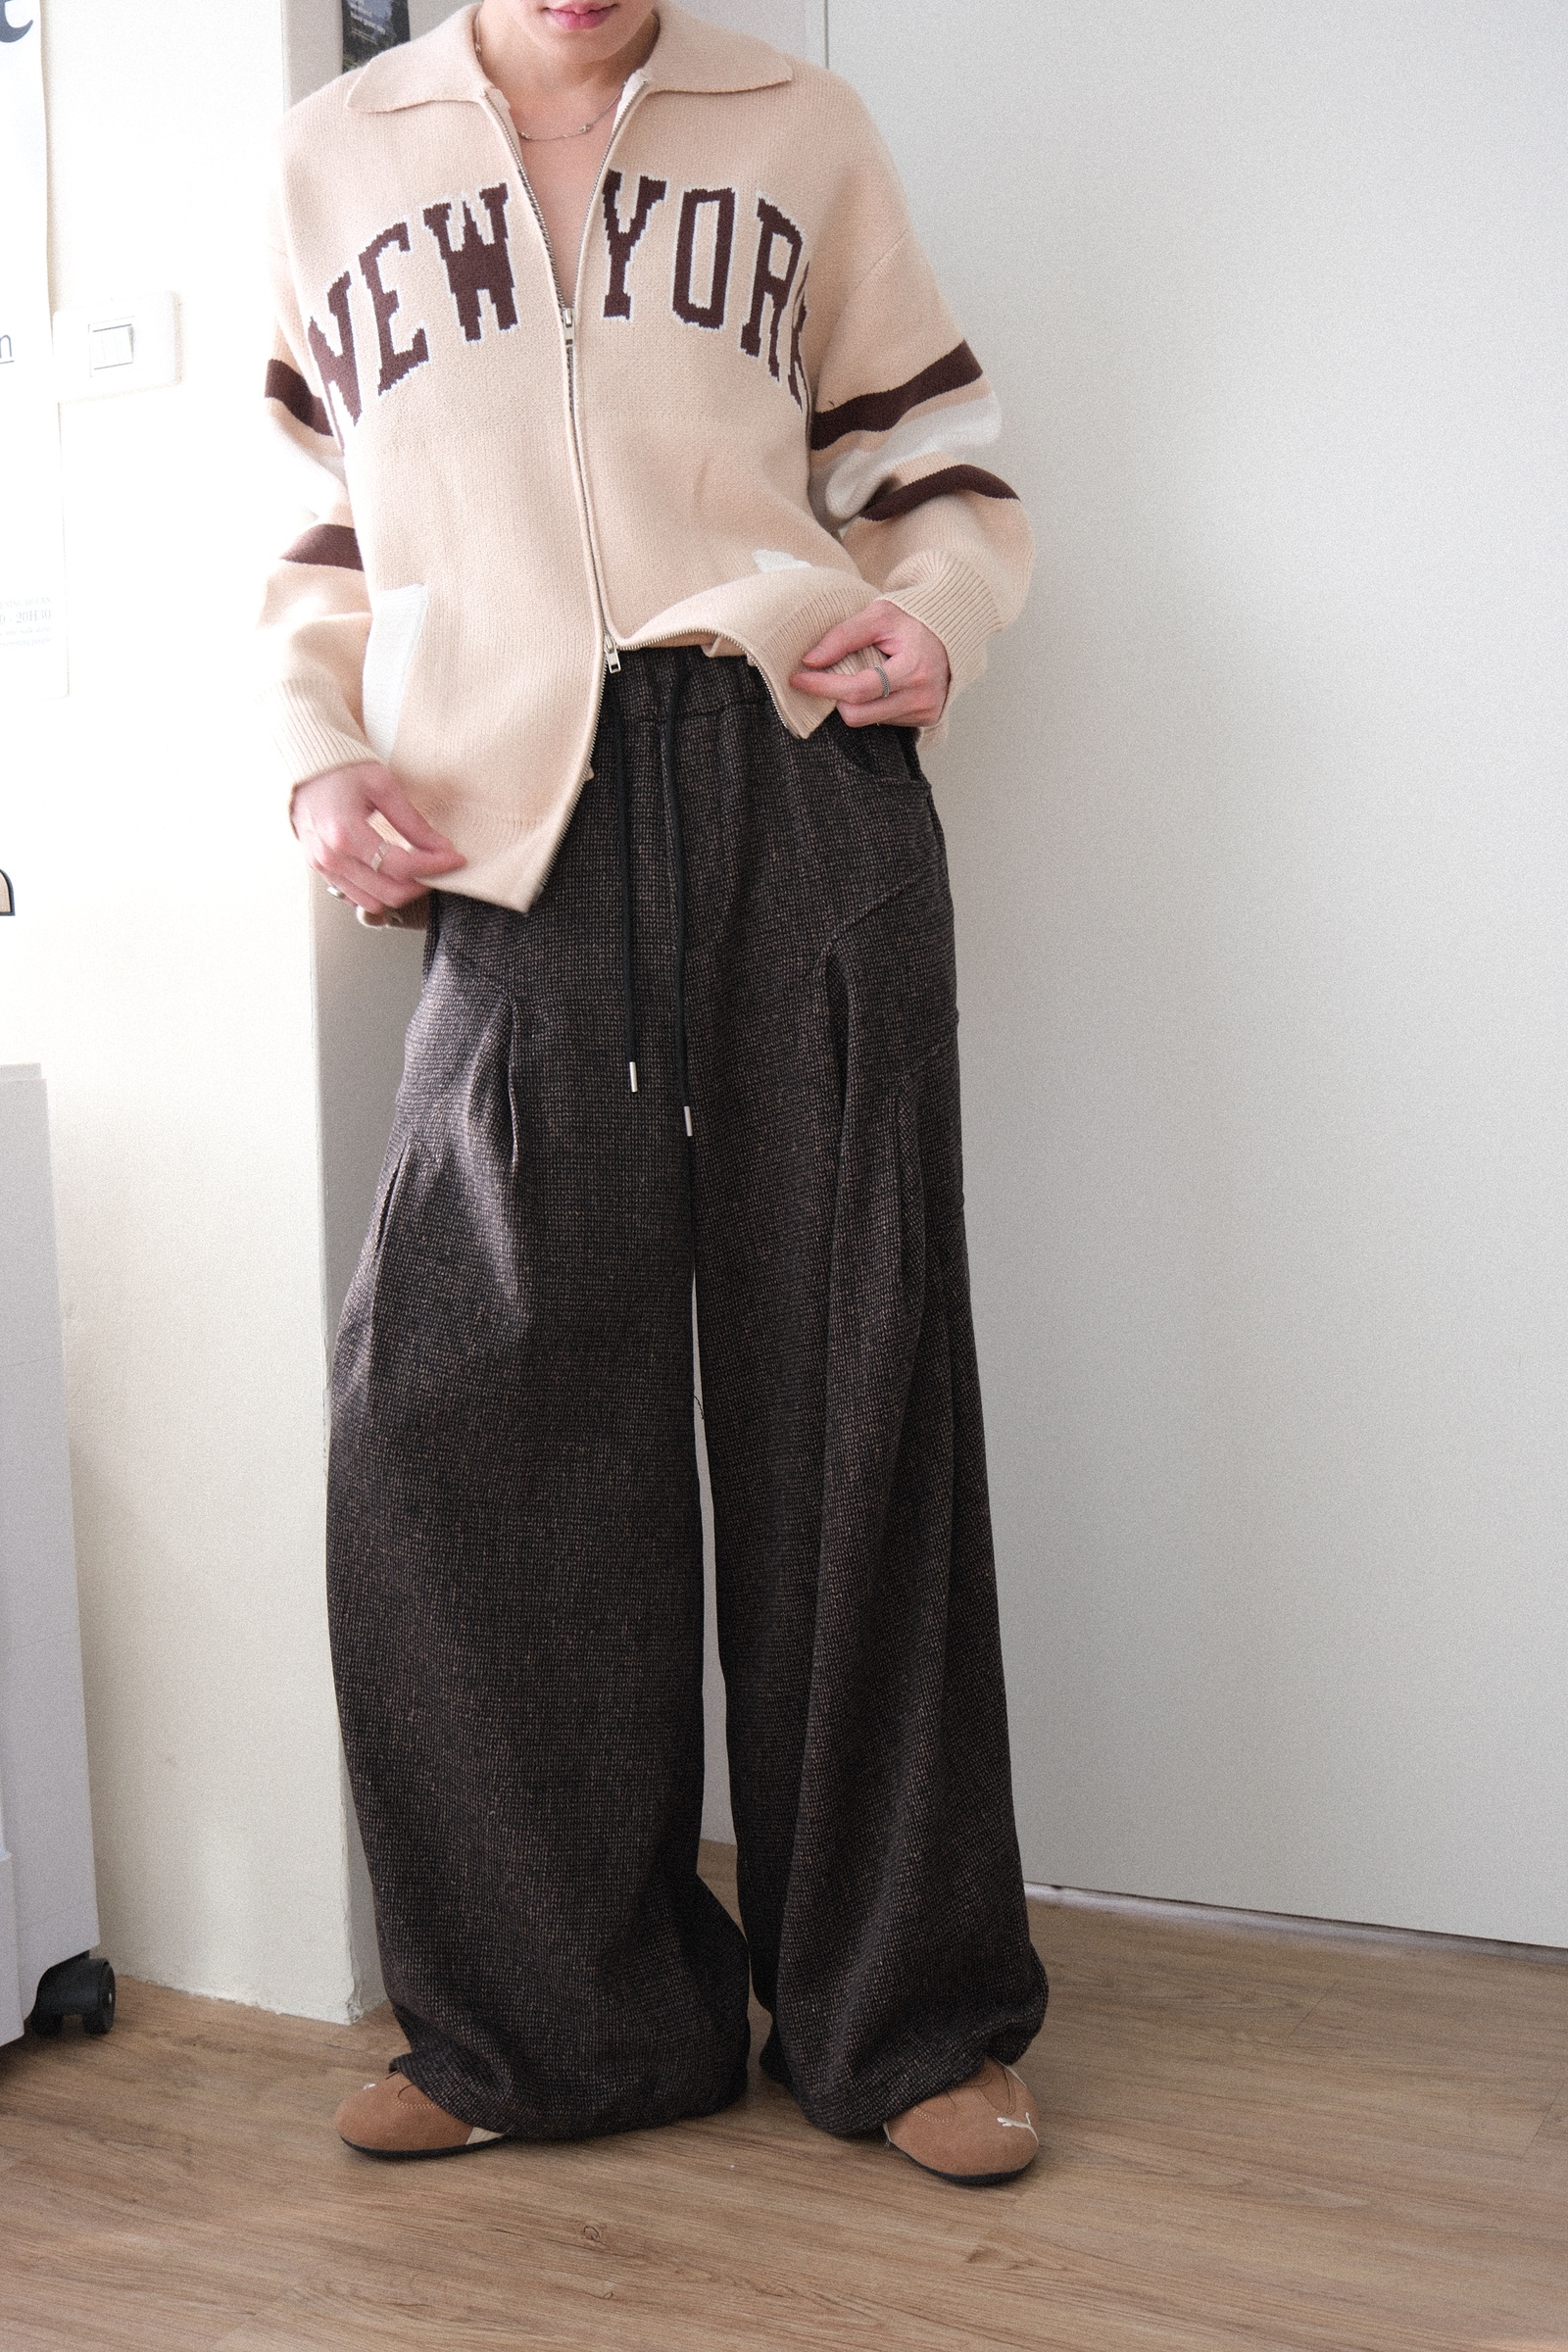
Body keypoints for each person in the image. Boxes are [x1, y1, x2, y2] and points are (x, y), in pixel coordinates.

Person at [260, 0, 1047, 2186]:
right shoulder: (334, 161)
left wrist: (938, 620)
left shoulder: (800, 125)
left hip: (792, 772)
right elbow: (313, 537)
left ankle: (902, 2021)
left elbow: (940, 473)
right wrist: (318, 759)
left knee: (852, 1388)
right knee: (463, 1417)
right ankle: (545, 2023)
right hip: (505, 829)